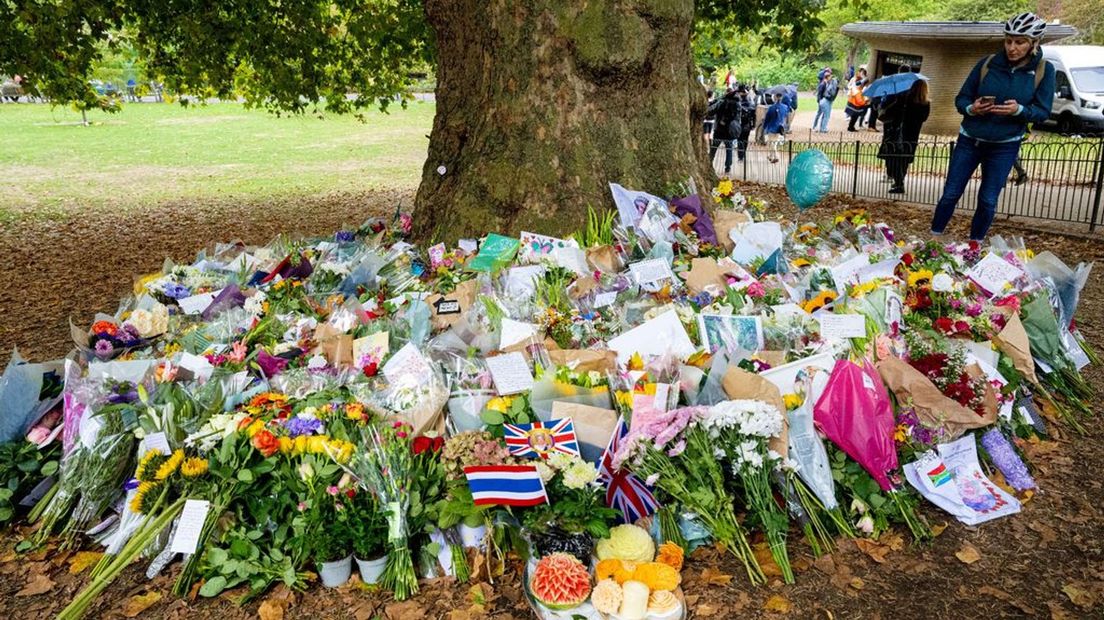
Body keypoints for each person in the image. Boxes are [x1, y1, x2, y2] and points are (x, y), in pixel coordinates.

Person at [930, 12, 1055, 241]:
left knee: (988, 199)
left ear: (1034, 43)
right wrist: (972, 108)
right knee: (950, 194)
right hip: (970, 140)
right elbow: (962, 99)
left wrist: (1020, 111)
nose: (1012, 48)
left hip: (1004, 146)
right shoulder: (987, 64)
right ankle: (934, 238)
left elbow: (1042, 111)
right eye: (1008, 41)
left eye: (1020, 42)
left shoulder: (1043, 71)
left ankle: (974, 246)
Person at [877, 79, 930, 194]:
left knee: (895, 157)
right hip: (913, 135)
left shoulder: (904, 99)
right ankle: (899, 181)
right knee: (905, 158)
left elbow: (893, 112)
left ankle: (899, 183)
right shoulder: (925, 104)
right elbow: (924, 118)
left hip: (899, 133)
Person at [706, 87, 743, 175]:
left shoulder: (721, 102)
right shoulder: (738, 104)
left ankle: (709, 164)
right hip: (730, 131)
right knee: (729, 150)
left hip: (719, 130)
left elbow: (710, 111)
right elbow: (738, 118)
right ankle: (728, 168)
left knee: (713, 149)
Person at [763, 93, 789, 163]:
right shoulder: (785, 107)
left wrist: (764, 127)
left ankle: (776, 156)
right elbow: (786, 117)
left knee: (772, 143)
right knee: (774, 142)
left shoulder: (771, 108)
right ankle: (770, 156)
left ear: (775, 97)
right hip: (780, 128)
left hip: (772, 128)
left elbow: (767, 119)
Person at [845, 68, 870, 132]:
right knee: (854, 118)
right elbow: (860, 101)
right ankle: (851, 127)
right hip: (855, 106)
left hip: (852, 104)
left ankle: (851, 127)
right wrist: (865, 102)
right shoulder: (858, 91)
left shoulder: (855, 89)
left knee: (853, 118)